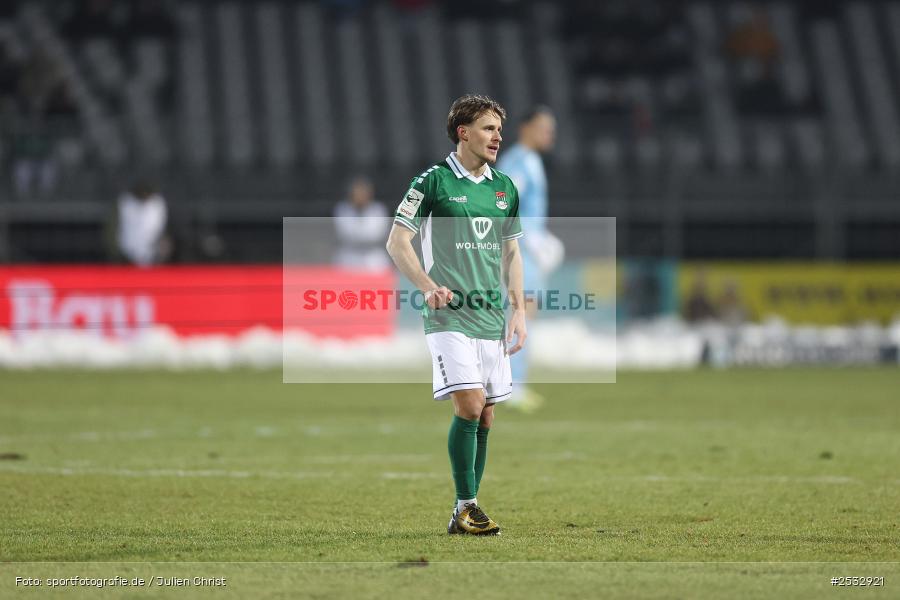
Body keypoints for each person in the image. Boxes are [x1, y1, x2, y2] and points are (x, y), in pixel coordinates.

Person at [386, 94, 525, 536]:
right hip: (450, 316)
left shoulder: (505, 188)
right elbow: (397, 242)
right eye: (488, 128)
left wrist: (519, 310)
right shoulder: (432, 182)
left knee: (486, 415)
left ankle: (467, 509)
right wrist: (428, 288)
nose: (497, 136)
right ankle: (467, 506)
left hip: (491, 318)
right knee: (469, 404)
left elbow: (512, 252)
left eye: (499, 129)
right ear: (463, 132)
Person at [496, 106, 562, 411]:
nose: (550, 134)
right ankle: (511, 386)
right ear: (525, 128)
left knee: (520, 314)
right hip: (518, 250)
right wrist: (531, 239)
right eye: (543, 127)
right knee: (520, 314)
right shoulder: (520, 162)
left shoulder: (528, 160)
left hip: (525, 247)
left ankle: (509, 384)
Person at [333, 176, 391, 271]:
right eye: (357, 192)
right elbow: (346, 234)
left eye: (363, 192)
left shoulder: (379, 209)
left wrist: (361, 235)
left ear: (369, 193)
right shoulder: (342, 209)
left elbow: (377, 235)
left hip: (373, 255)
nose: (360, 196)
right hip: (349, 254)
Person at [116, 180, 170, 266]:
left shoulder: (157, 204)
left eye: (145, 193)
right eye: (142, 193)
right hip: (128, 247)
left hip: (152, 247)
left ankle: (158, 272)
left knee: (165, 244)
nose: (144, 195)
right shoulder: (126, 203)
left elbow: (161, 227)